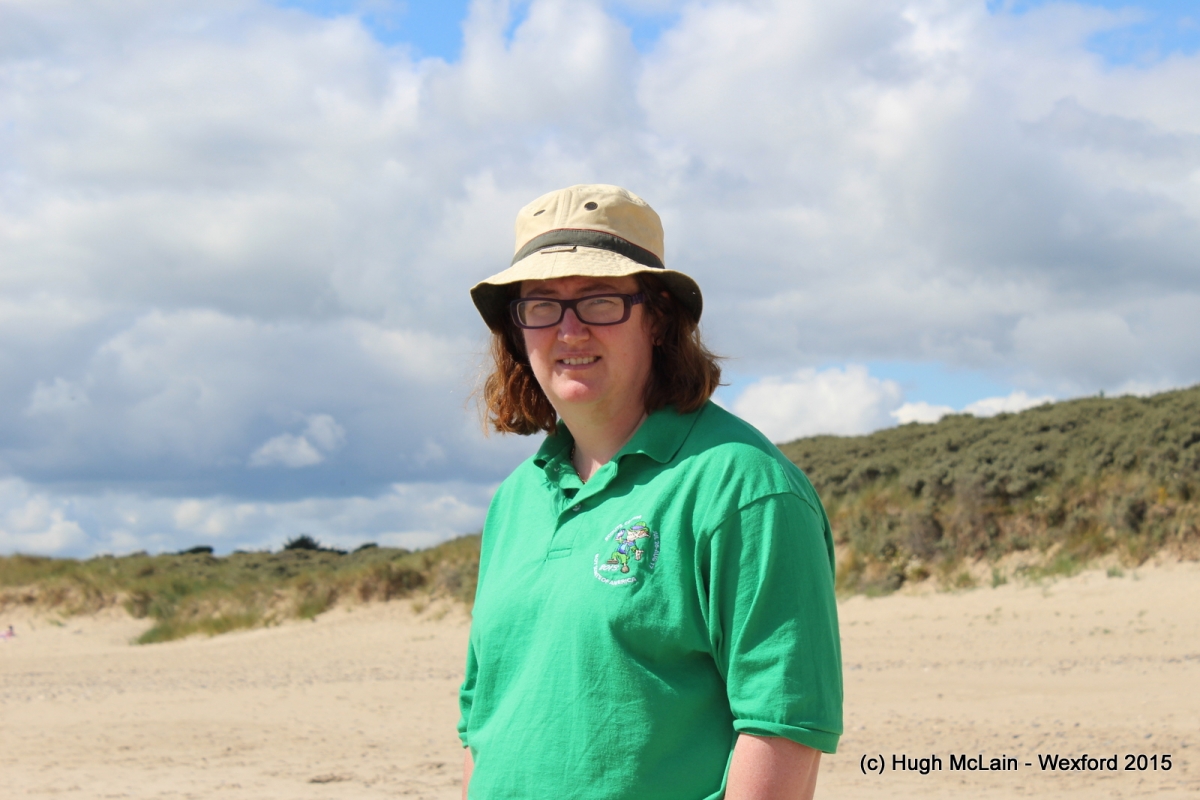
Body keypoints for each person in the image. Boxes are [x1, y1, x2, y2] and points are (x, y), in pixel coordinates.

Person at [459, 184, 842, 799]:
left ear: (659, 318)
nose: (569, 331)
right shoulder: (515, 500)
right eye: (542, 306)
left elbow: (783, 726)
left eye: (600, 301)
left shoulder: (743, 486)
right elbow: (484, 723)